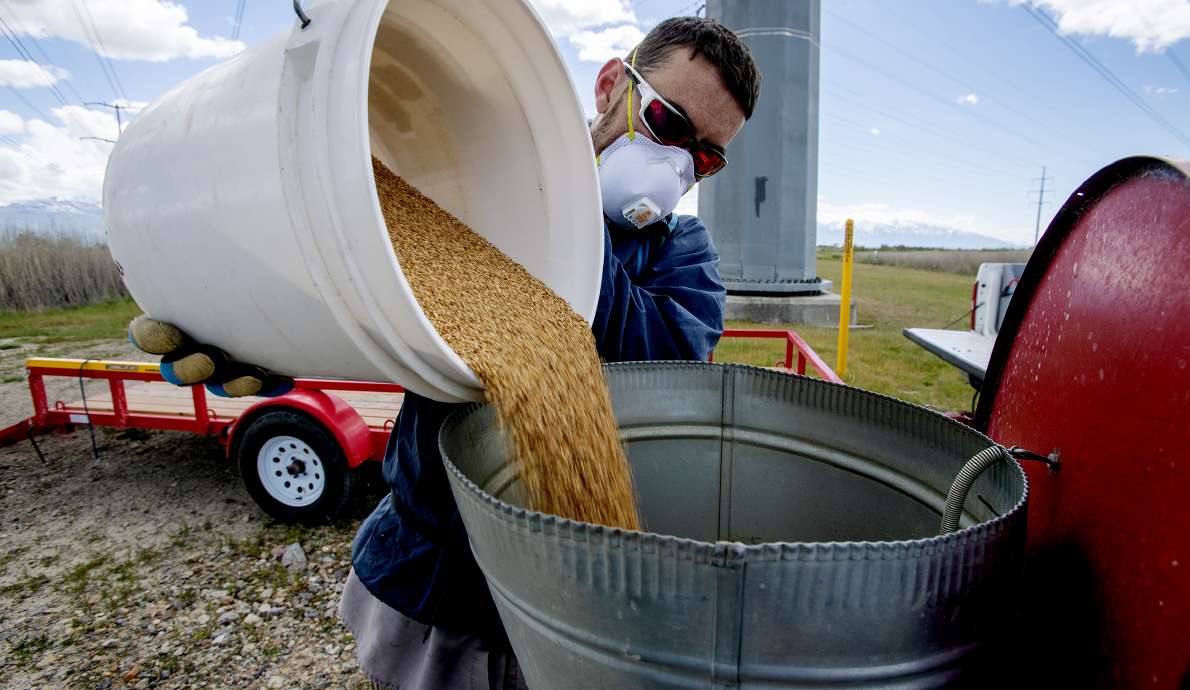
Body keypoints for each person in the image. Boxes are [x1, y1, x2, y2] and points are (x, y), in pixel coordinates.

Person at [128, 16, 760, 689]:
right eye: (666, 122)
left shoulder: (681, 255)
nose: (677, 164)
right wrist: (258, 328)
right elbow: (358, 296)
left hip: (569, 601)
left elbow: (658, 359)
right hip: (426, 566)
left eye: (706, 156)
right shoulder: (466, 182)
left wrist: (564, 209)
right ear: (612, 86)